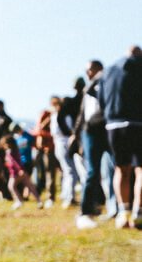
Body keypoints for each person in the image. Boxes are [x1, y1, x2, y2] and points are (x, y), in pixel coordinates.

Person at [98, 46, 142, 229]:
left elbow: (101, 99)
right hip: (137, 122)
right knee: (140, 169)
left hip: (113, 124)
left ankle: (123, 213)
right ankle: (138, 213)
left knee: (120, 169)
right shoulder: (139, 66)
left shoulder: (108, 70)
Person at [72, 60, 111, 229]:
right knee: (92, 172)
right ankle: (85, 211)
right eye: (86, 70)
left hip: (105, 129)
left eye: (90, 70)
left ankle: (116, 208)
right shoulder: (87, 90)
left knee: (114, 169)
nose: (88, 73)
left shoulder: (106, 82)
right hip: (90, 132)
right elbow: (82, 114)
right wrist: (76, 135)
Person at [49, 94, 78, 208]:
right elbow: (68, 130)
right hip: (64, 143)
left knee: (67, 171)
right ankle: (69, 197)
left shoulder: (54, 116)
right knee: (71, 172)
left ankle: (66, 195)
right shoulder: (63, 116)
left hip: (58, 144)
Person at [1, 135, 41, 210]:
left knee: (11, 186)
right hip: (21, 171)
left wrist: (19, 169)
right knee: (30, 186)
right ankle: (39, 201)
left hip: (16, 173)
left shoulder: (10, 152)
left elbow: (15, 162)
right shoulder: (16, 150)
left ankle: (19, 201)